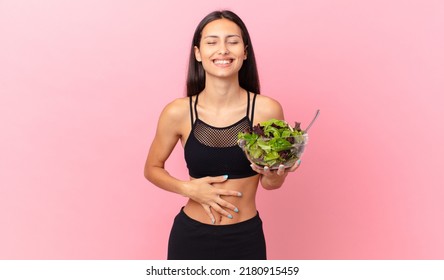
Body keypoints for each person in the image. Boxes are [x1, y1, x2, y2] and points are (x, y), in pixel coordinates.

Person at [144, 10, 301, 260]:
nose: (223, 50)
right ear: (198, 53)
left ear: (245, 52)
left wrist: (275, 175)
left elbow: (271, 184)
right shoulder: (178, 112)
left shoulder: (267, 109)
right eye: (212, 42)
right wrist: (189, 189)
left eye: (232, 41)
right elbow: (152, 168)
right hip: (190, 238)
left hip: (245, 238)